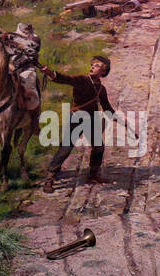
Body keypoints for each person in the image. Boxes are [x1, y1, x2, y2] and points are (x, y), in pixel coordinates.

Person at [39, 55, 115, 192]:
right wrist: (50, 73)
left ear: (103, 72)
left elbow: (107, 107)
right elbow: (65, 79)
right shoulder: (82, 79)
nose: (93, 67)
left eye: (97, 66)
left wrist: (119, 119)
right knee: (66, 148)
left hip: (92, 119)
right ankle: (50, 178)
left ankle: (93, 175)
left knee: (99, 147)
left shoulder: (101, 89)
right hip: (77, 118)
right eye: (93, 64)